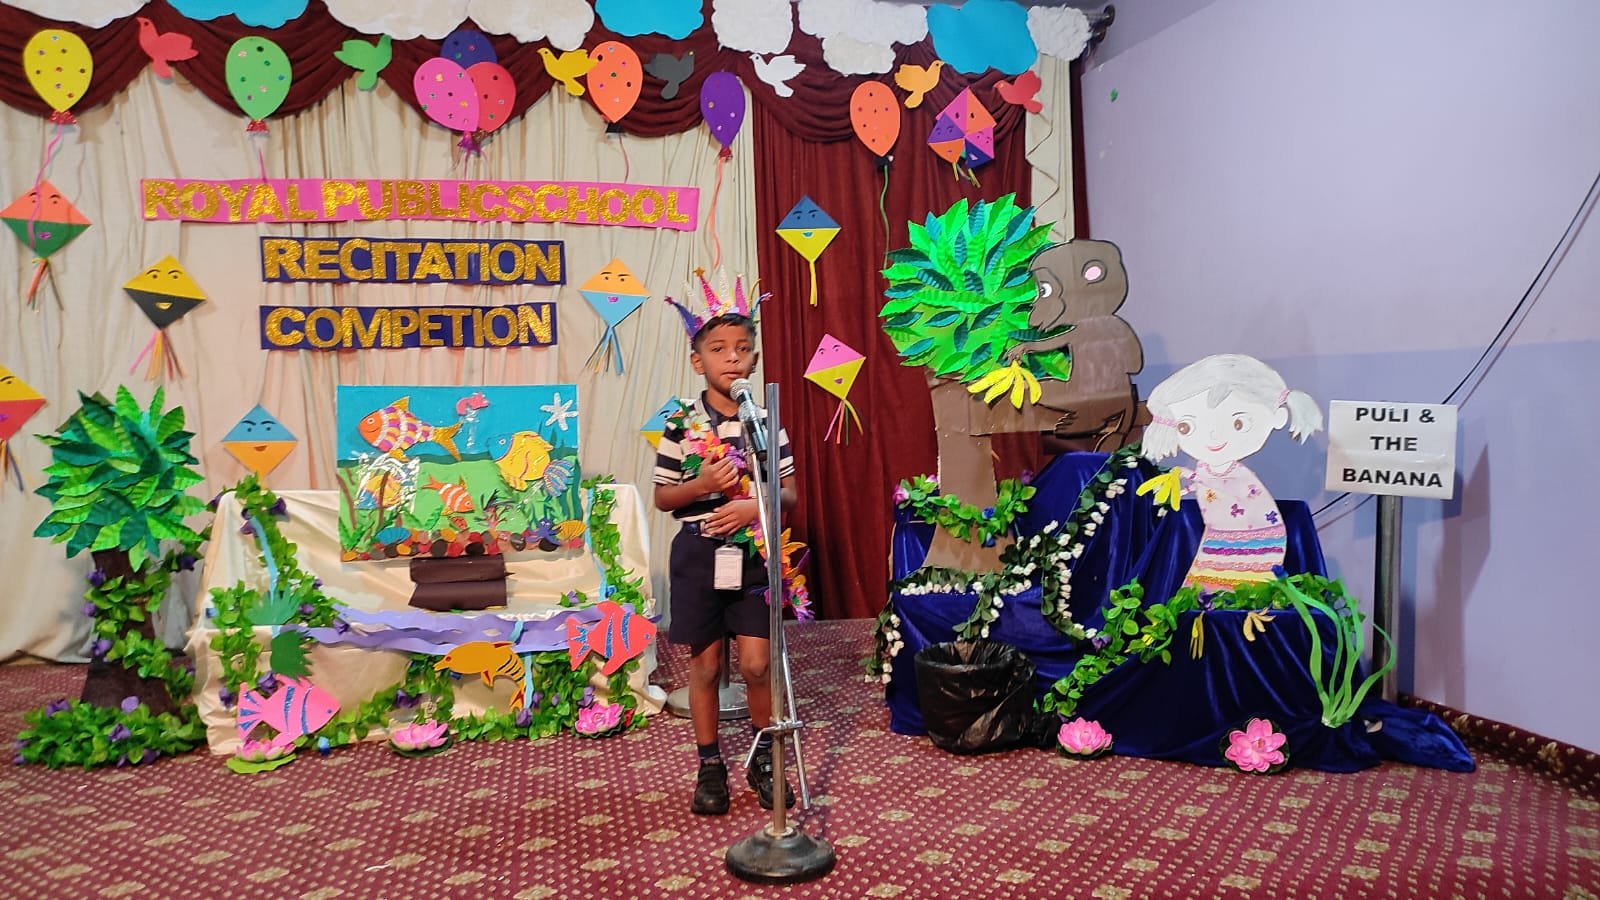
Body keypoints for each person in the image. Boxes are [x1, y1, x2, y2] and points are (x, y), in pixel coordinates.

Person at [653, 310, 798, 815]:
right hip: (698, 554)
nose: (731, 357)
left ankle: (764, 759)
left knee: (757, 665)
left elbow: (789, 493)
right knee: (707, 665)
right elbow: (663, 498)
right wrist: (702, 486)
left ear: (754, 359)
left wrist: (754, 506)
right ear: (698, 362)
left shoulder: (766, 422)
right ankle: (710, 763)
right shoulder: (680, 424)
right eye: (718, 349)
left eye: (742, 348)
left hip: (753, 554)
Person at [1137, 354, 1323, 593]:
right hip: (1219, 537)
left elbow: (1224, 492)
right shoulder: (1205, 470)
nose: (1214, 436)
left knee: (1236, 578)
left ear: (1278, 418)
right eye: (1187, 427)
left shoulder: (1240, 477)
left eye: (1238, 424)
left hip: (1254, 536)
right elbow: (1208, 487)